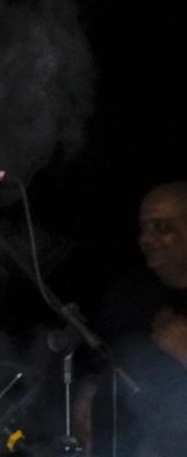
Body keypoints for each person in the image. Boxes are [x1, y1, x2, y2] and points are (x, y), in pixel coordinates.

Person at [74, 182, 187, 455]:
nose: (146, 239)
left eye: (162, 227)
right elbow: (98, 362)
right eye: (143, 228)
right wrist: (87, 397)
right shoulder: (129, 295)